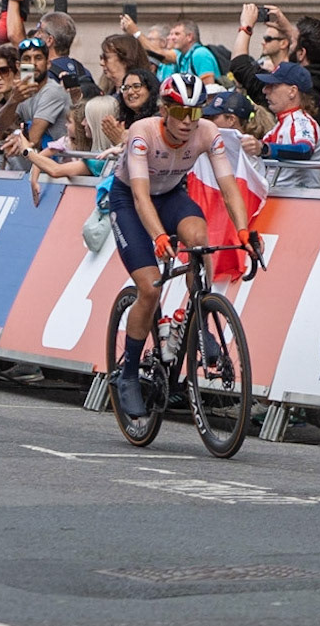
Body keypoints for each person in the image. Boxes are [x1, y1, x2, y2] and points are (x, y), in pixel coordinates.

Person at [109, 74, 259, 418]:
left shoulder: (208, 133)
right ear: (165, 110)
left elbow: (228, 185)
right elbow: (139, 195)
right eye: (180, 113)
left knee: (198, 239)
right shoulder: (142, 133)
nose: (188, 123)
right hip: (131, 201)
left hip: (172, 195)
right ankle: (129, 374)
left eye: (195, 113)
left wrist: (242, 229)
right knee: (149, 288)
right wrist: (159, 236)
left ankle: (201, 326)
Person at [230, 5, 320, 145]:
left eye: (292, 42)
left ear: (293, 91)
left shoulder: (287, 87)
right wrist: (290, 31)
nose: (267, 90)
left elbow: (239, 65)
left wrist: (245, 27)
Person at [242, 62, 320, 190]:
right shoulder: (279, 126)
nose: (265, 90)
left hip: (302, 201)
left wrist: (264, 149)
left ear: (292, 91)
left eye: (273, 86)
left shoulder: (302, 121)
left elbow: (304, 150)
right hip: (280, 198)